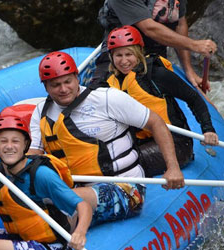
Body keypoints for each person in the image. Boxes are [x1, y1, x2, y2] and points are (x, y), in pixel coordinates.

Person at [28, 51, 185, 226]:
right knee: (32, 205)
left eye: (67, 82)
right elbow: (33, 154)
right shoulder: (41, 111)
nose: (63, 89)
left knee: (60, 203)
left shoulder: (107, 98)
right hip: (74, 186)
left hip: (125, 187)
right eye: (56, 85)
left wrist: (173, 167)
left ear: (76, 77)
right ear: (46, 87)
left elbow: (156, 123)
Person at [0, 116, 92, 250]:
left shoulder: (41, 174)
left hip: (50, 245)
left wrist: (80, 232)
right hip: (19, 236)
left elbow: (83, 205)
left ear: (25, 145)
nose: (9, 146)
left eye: (15, 141)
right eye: (3, 141)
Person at [105, 25, 219, 176]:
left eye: (129, 54)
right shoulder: (111, 82)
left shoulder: (155, 74)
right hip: (140, 142)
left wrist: (208, 128)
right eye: (118, 55)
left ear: (138, 54)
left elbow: (193, 98)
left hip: (175, 144)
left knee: (117, 167)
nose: (124, 61)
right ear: (111, 57)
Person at [94, 0, 217, 89]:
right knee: (101, 89)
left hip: (155, 51)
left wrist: (189, 70)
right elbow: (149, 28)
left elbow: (180, 23)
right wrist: (195, 45)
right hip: (120, 49)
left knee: (165, 95)